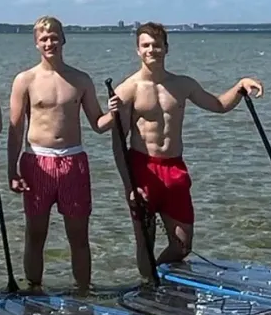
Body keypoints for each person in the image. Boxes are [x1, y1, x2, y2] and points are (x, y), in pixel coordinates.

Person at [112, 23, 263, 265]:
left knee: (183, 244)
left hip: (174, 167)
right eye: (146, 45)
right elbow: (118, 144)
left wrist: (239, 87)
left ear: (166, 48)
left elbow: (218, 105)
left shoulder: (183, 84)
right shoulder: (127, 90)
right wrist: (129, 185)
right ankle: (148, 286)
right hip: (142, 168)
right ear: (138, 51)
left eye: (157, 45)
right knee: (145, 242)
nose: (152, 50)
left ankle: (160, 277)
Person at [5, 17, 116, 292]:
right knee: (36, 233)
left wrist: (116, 113)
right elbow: (16, 130)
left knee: (79, 236)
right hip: (36, 162)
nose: (49, 42)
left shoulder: (80, 80)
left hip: (73, 162)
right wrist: (11, 170)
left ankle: (83, 290)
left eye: (54, 37)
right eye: (43, 38)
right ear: (36, 43)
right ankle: (34, 289)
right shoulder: (25, 80)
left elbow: (98, 124)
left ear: (63, 39)